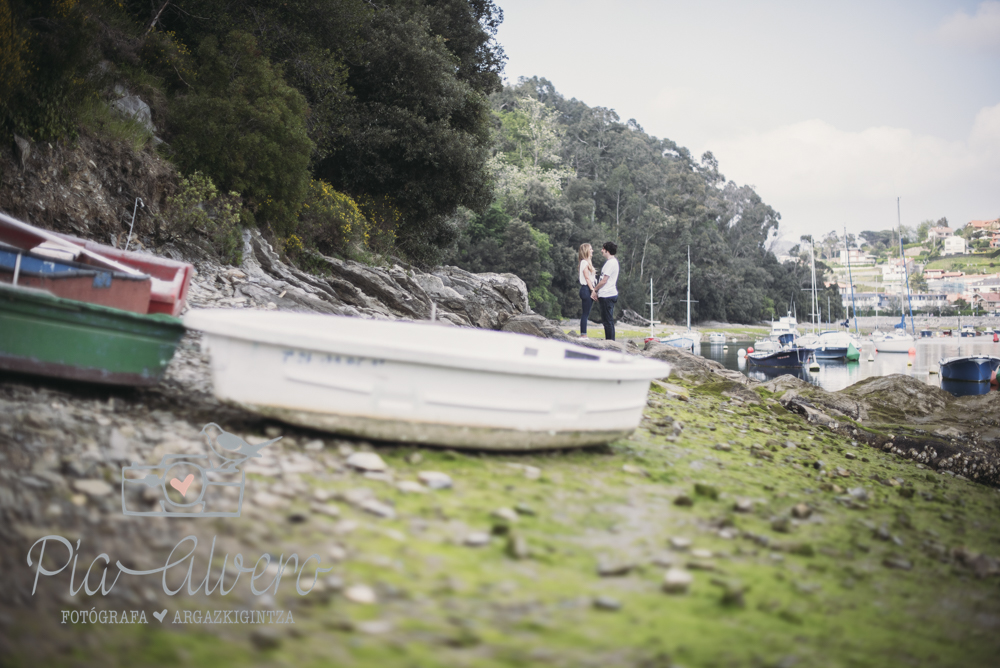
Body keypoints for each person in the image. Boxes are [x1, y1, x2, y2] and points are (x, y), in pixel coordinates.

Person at [592, 241, 619, 341]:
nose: (601, 251)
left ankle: (610, 342)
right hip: (606, 294)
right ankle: (610, 340)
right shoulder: (610, 262)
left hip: (608, 295)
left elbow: (604, 280)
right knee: (607, 320)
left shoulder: (611, 263)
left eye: (603, 249)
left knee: (607, 321)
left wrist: (594, 290)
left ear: (607, 250)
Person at [577, 243, 596, 337]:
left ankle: (584, 333)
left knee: (587, 313)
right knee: (585, 313)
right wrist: (592, 290)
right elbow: (587, 278)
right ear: (586, 250)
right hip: (586, 289)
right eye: (590, 249)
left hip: (588, 288)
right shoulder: (584, 262)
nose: (592, 251)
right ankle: (583, 334)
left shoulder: (587, 262)